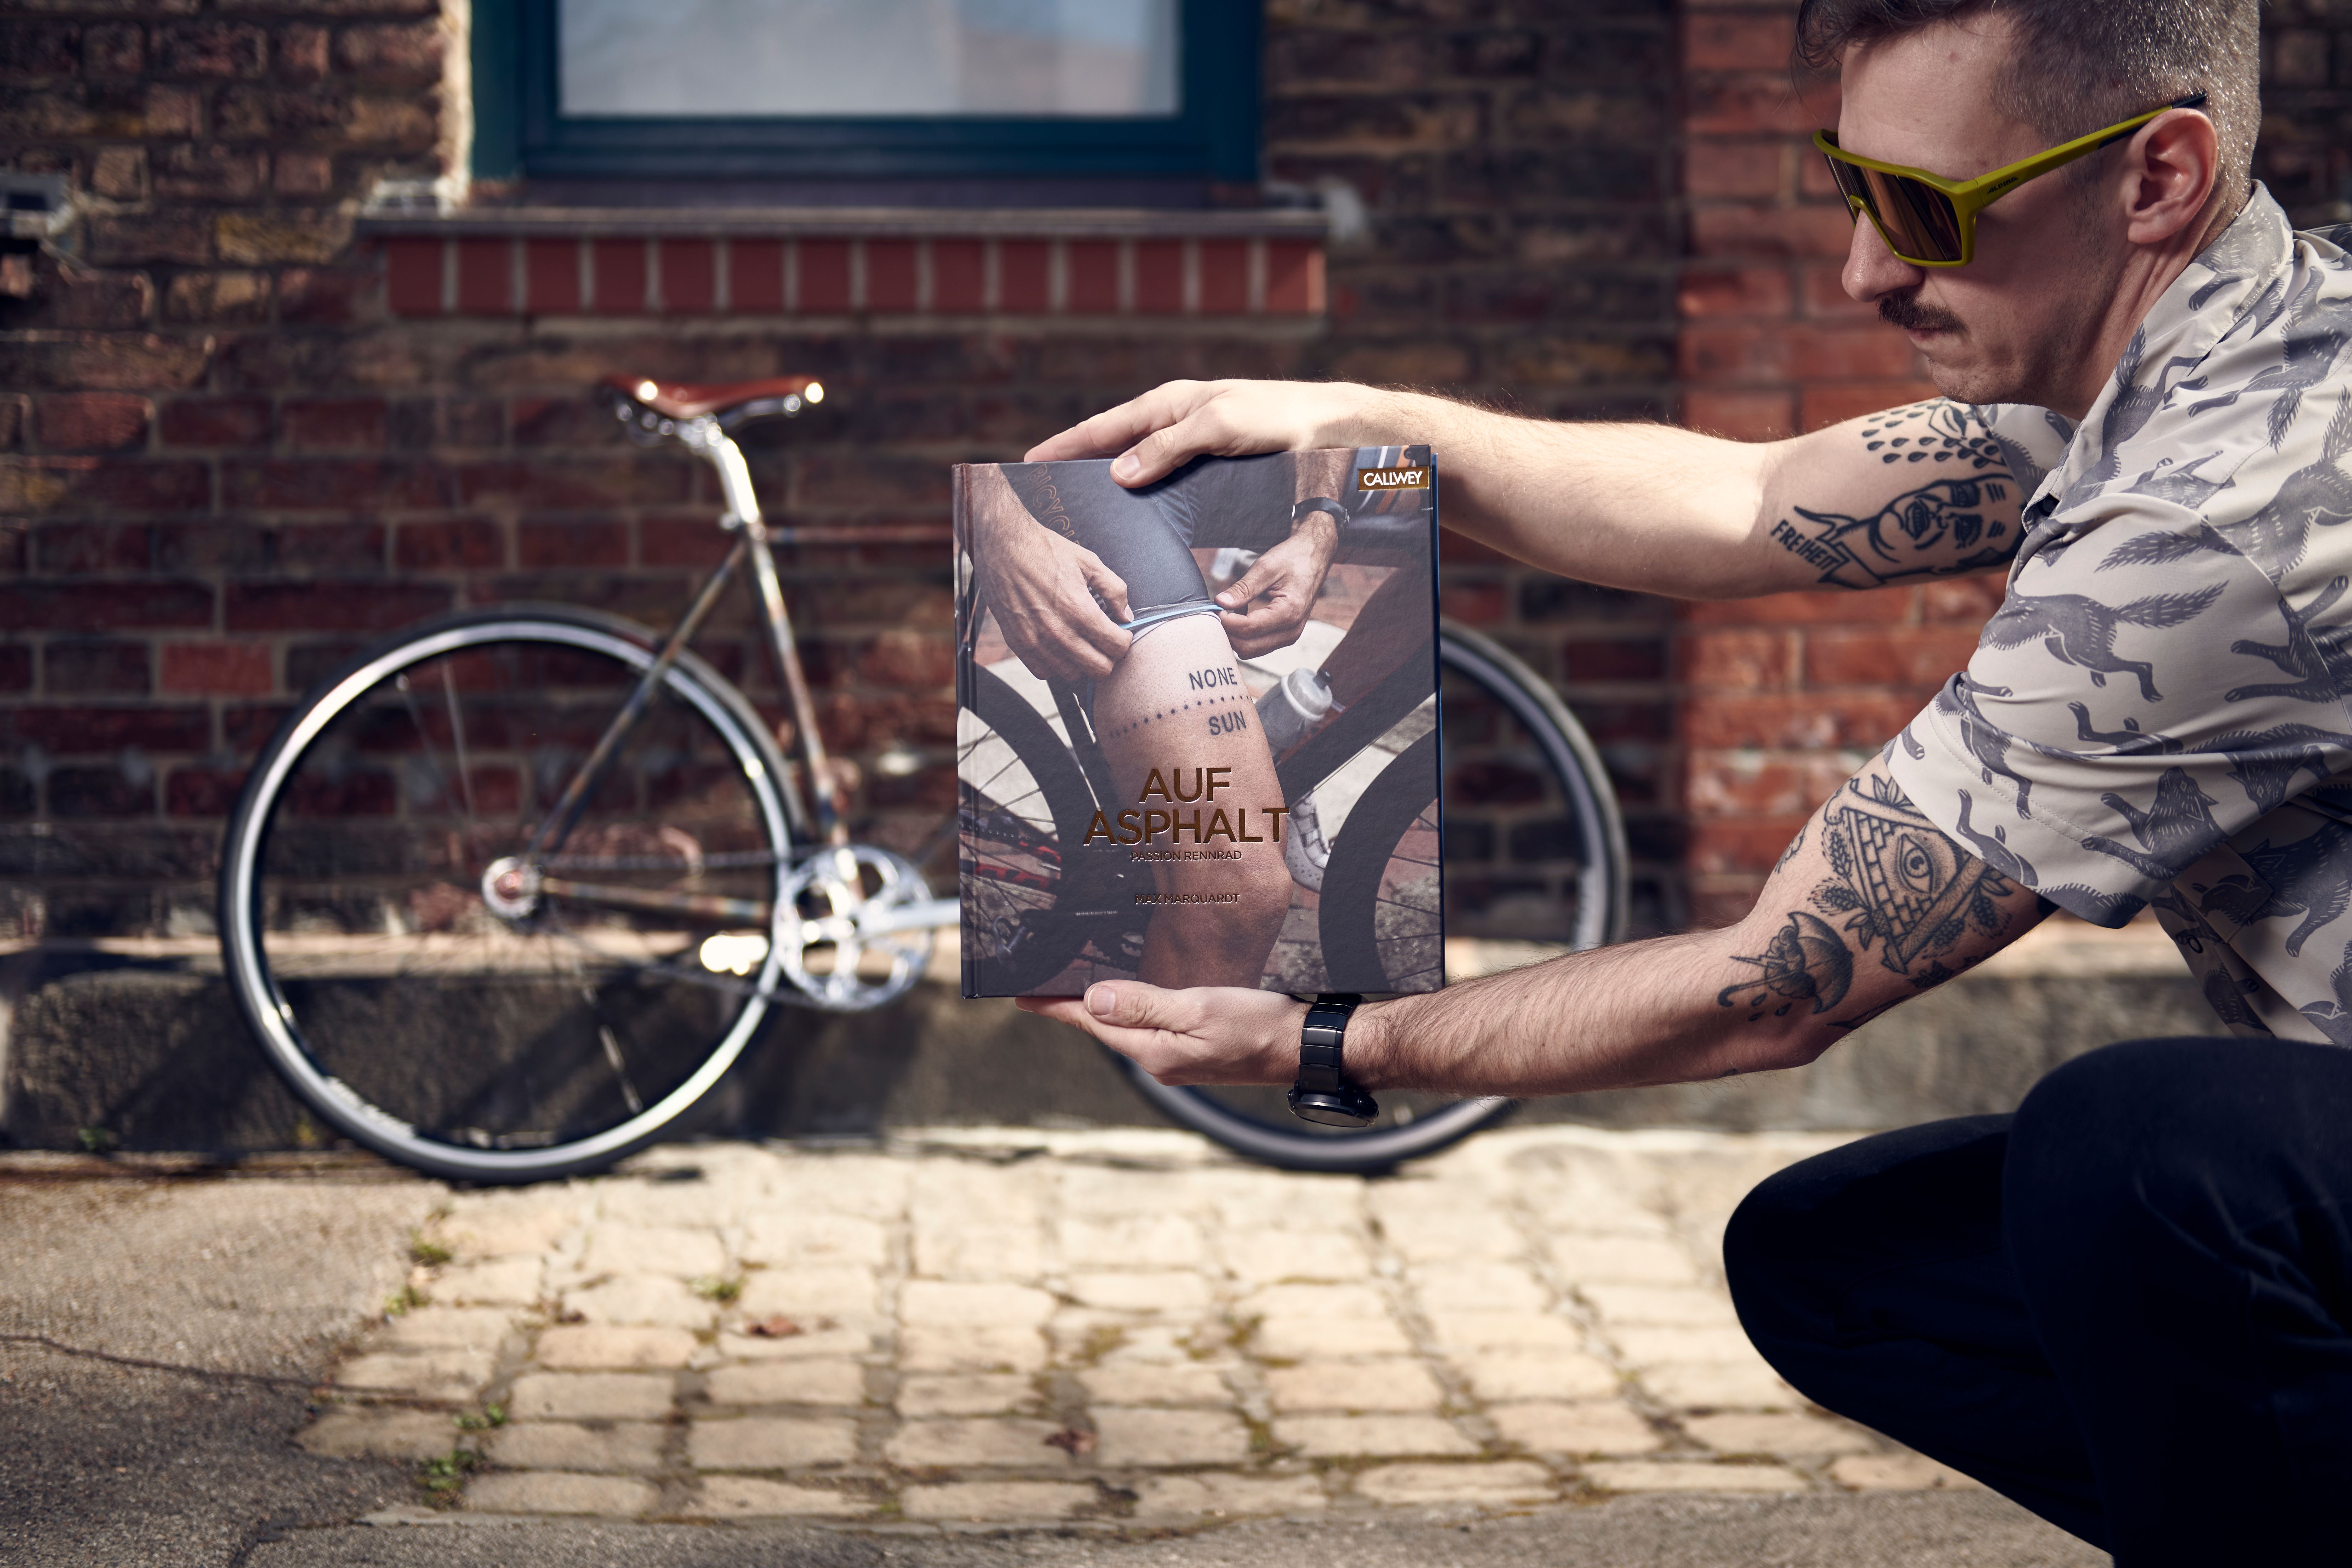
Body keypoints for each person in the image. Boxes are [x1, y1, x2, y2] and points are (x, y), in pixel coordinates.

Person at [1011, 0, 2352, 1557]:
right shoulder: (2173, 361)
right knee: (1834, 1259)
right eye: (1851, 186)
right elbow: (1747, 503)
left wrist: (1329, 1037)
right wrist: (1366, 423)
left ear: (2156, 179)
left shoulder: (2222, 514)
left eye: (1926, 211)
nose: (1864, 266)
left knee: (2143, 1160)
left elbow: (1771, 983)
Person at [961, 449, 1352, 987]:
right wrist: (987, 516)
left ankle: (1288, 742)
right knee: (1237, 893)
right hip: (1081, 461)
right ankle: (1163, 1072)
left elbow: (1323, 391)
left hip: (1216, 443)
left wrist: (1320, 519)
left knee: (1442, 495)